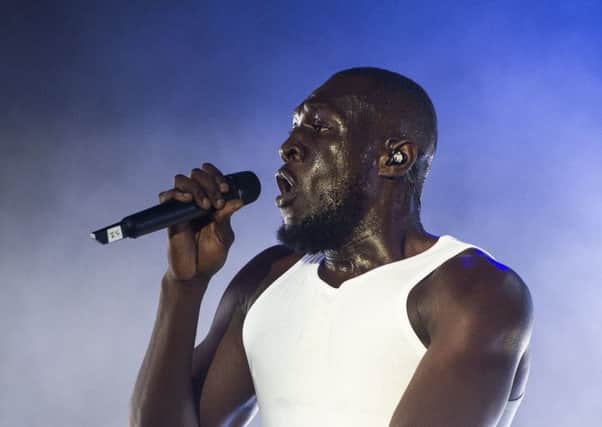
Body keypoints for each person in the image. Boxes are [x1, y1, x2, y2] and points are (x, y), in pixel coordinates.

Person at [129, 67, 533, 427]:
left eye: (320, 128)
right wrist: (184, 287)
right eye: (293, 125)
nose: (288, 145)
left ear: (394, 157)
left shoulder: (475, 292)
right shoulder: (266, 281)